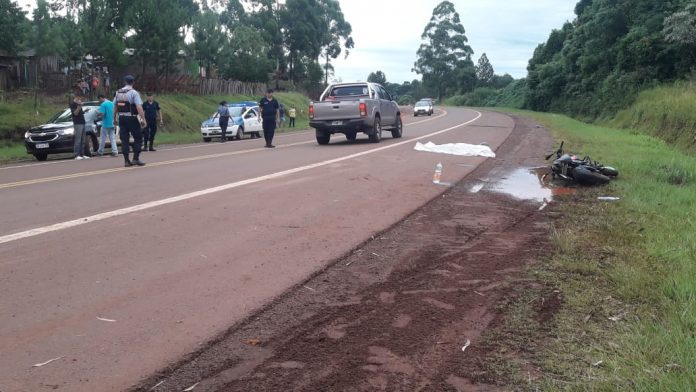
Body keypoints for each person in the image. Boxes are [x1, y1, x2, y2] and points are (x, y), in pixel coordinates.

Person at [113, 75, 146, 167]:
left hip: (122, 118)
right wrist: (143, 119)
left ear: (125, 82)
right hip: (132, 118)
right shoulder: (134, 93)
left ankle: (126, 160)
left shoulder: (118, 92)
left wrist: (114, 118)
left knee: (124, 140)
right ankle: (135, 158)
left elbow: (115, 106)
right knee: (138, 138)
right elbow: (139, 107)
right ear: (133, 82)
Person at [70, 95, 90, 160]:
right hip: (77, 123)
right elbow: (75, 113)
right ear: (77, 97)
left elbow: (79, 113)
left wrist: (84, 111)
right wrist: (79, 106)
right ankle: (76, 155)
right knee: (78, 140)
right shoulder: (73, 104)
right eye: (80, 97)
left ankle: (82, 154)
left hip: (82, 122)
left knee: (83, 139)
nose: (81, 99)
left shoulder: (79, 103)